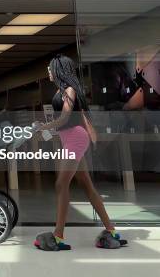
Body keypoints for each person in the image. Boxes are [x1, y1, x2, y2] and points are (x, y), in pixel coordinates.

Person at [33, 54, 125, 251]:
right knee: (87, 186)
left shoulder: (70, 90)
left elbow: (66, 116)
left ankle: (58, 235)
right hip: (71, 138)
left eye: (50, 68)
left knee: (61, 183)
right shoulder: (62, 91)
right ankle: (112, 230)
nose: (48, 71)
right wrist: (48, 128)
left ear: (59, 70)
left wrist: (45, 126)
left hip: (75, 138)